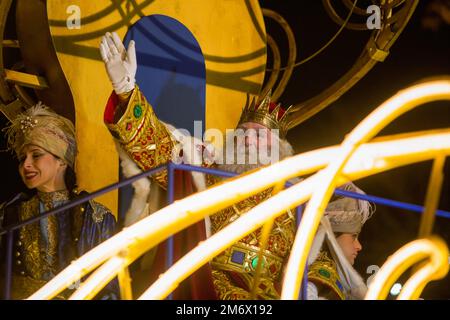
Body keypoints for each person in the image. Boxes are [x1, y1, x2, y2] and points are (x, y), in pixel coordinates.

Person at [100, 32, 296, 299]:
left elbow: (318, 255)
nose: (248, 139)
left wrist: (312, 286)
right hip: (209, 287)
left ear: (279, 149)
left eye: (259, 135)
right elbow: (159, 148)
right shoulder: (205, 172)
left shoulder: (296, 199)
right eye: (243, 132)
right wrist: (126, 90)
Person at [0, 104, 118, 300]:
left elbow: (109, 288)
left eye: (36, 155)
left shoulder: (97, 218)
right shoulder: (8, 215)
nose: (26, 164)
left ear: (62, 161)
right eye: (22, 158)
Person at [306, 182, 375, 300]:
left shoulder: (336, 279)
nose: (359, 246)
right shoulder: (318, 277)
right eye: (353, 237)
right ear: (332, 237)